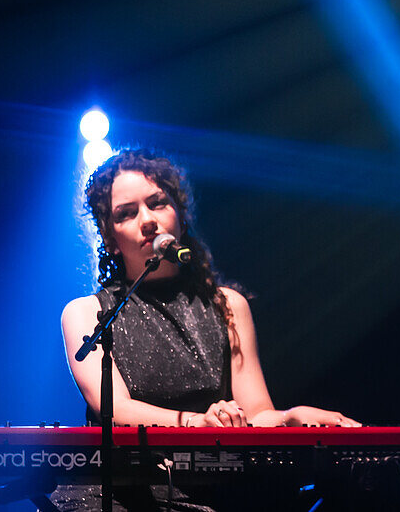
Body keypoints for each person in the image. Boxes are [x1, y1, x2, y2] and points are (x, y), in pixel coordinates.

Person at [55, 148, 357, 510]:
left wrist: (290, 418)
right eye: (127, 213)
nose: (147, 220)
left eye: (158, 203)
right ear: (110, 240)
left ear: (180, 217)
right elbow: (114, 407)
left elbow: (256, 414)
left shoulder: (228, 305)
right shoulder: (88, 313)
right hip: (124, 496)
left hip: (217, 492)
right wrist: (197, 422)